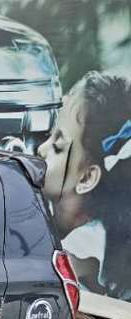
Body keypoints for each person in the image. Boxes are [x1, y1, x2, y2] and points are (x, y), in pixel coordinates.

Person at [37, 71, 131, 300]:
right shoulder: (49, 218)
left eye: (57, 145)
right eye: (50, 135)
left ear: (87, 178)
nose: (41, 149)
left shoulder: (82, 256)